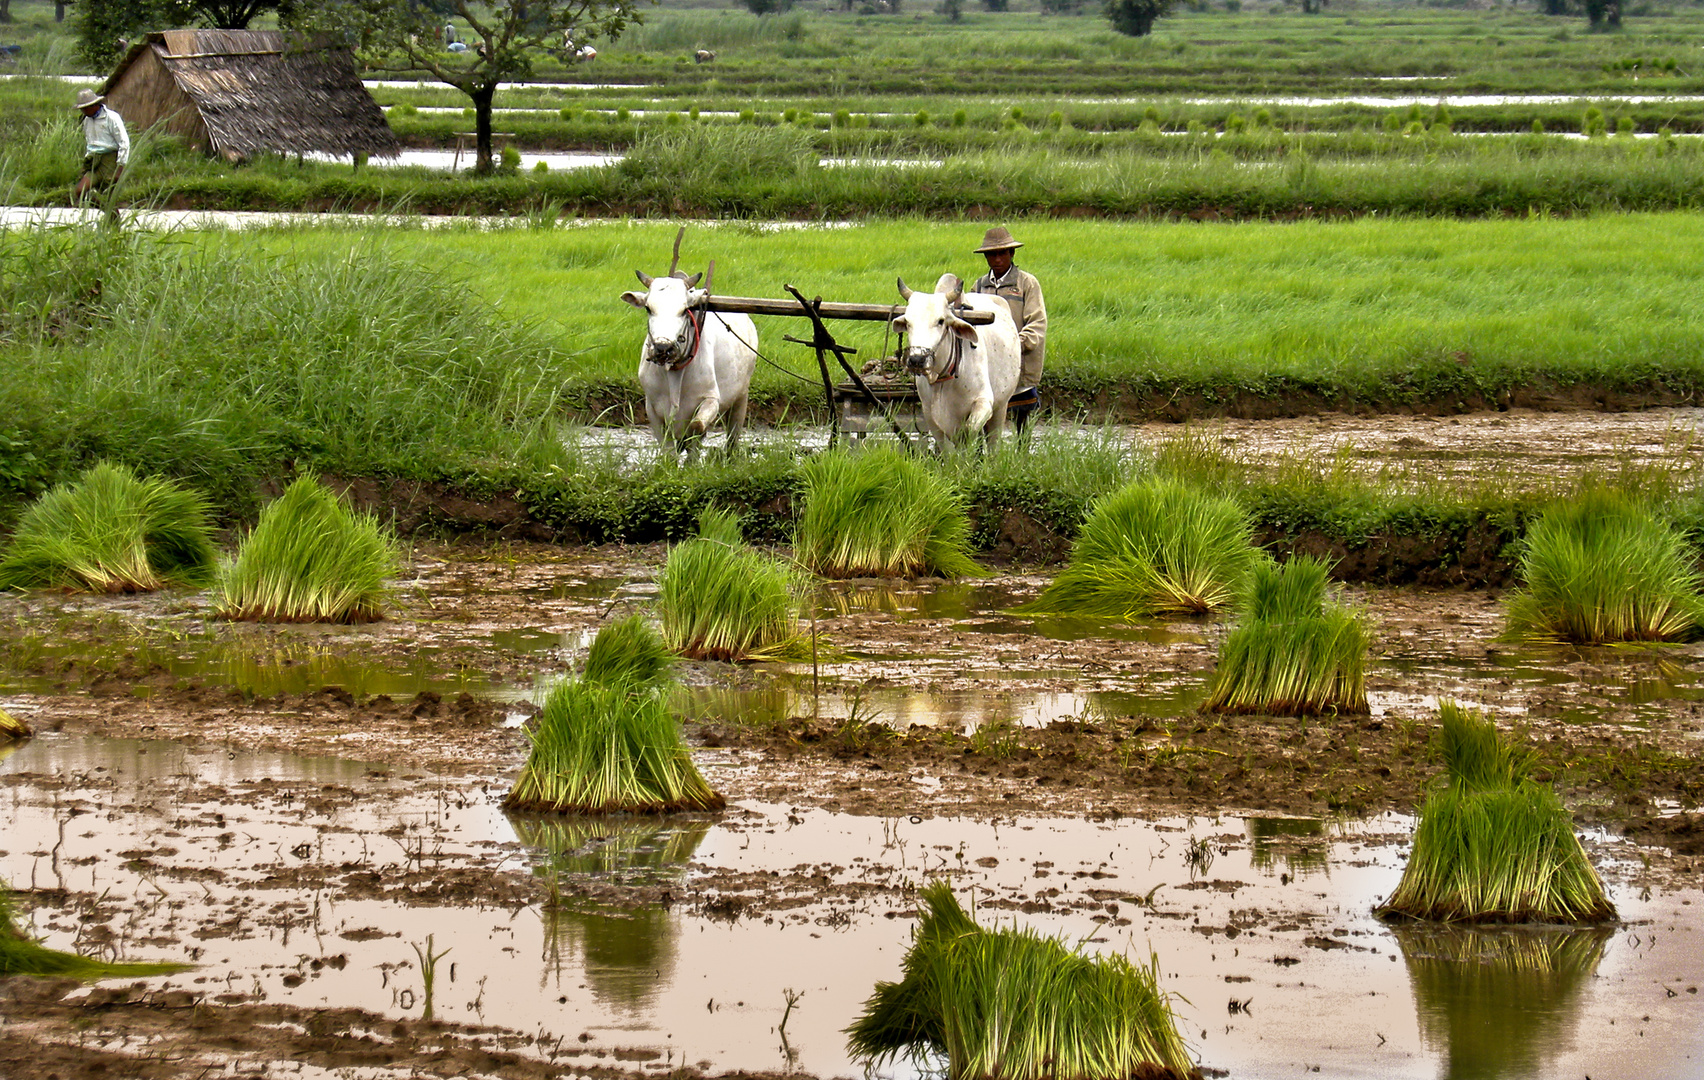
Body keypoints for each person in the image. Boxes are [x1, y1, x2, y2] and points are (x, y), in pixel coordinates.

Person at [970, 225, 1047, 434]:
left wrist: (1013, 345)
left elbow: (1037, 324)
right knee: (983, 417)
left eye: (1002, 253)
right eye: (992, 254)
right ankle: (982, 460)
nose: (997, 259)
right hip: (988, 368)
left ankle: (1022, 458)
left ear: (1011, 253)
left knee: (1023, 419)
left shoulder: (1027, 284)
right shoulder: (978, 288)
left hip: (1019, 364)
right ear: (985, 257)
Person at [74, 89, 129, 209]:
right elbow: (90, 142)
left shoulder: (111, 117)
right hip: (94, 160)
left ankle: (114, 224)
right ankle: (103, 209)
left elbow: (124, 142)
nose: (83, 111)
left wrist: (120, 167)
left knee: (109, 197)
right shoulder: (87, 120)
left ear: (93, 105)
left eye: (85, 108)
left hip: (109, 160)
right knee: (80, 191)